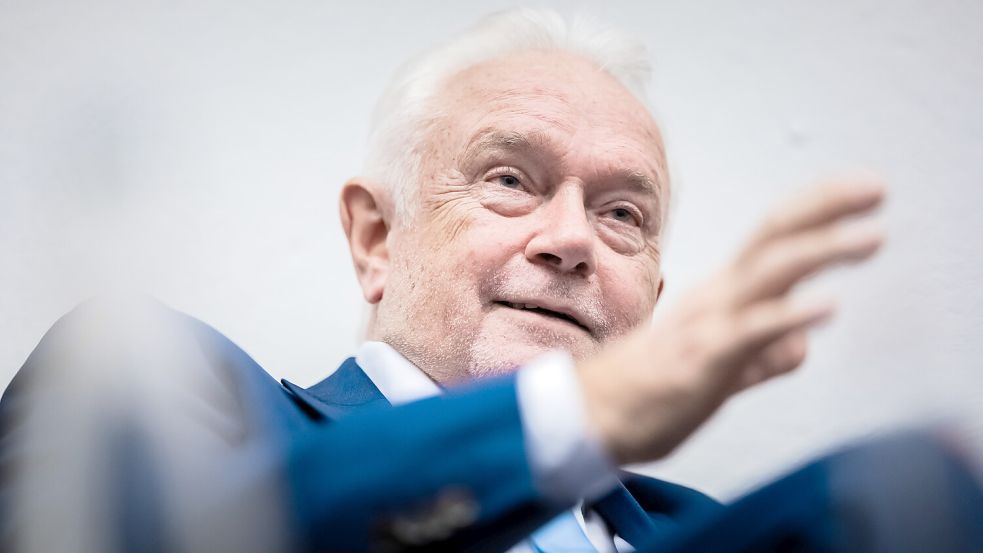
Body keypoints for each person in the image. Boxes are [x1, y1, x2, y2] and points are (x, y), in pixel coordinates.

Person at [1, 8, 981, 553]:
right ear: (376, 236)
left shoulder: (722, 536)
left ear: (653, 298)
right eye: (508, 179)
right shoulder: (151, 384)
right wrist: (576, 416)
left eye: (620, 214)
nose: (570, 242)